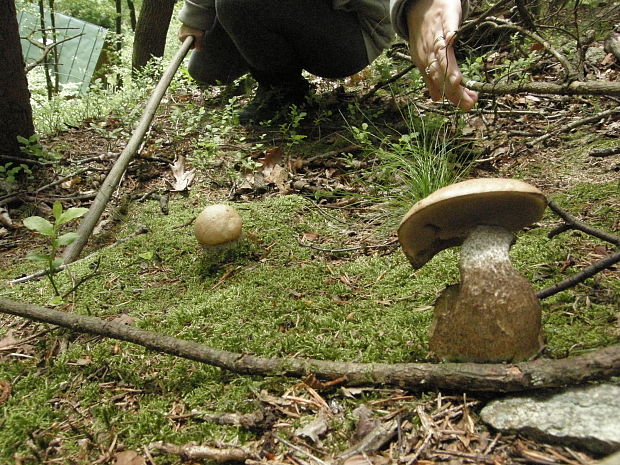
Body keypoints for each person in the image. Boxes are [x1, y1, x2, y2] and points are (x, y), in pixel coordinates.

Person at [177, 0, 478, 123]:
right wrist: (196, 15)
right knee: (207, 71)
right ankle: (265, 51)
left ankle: (283, 90)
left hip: (349, 34)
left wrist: (422, 7)